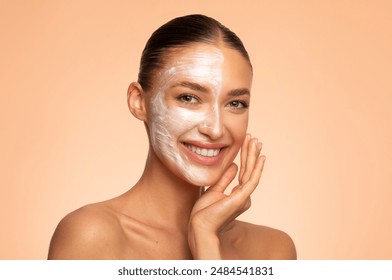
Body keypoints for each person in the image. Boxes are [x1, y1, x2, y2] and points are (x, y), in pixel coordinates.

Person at [48, 14, 296, 260]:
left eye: (235, 103)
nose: (216, 129)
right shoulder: (92, 236)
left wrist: (205, 237)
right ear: (139, 102)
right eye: (188, 97)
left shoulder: (271, 250)